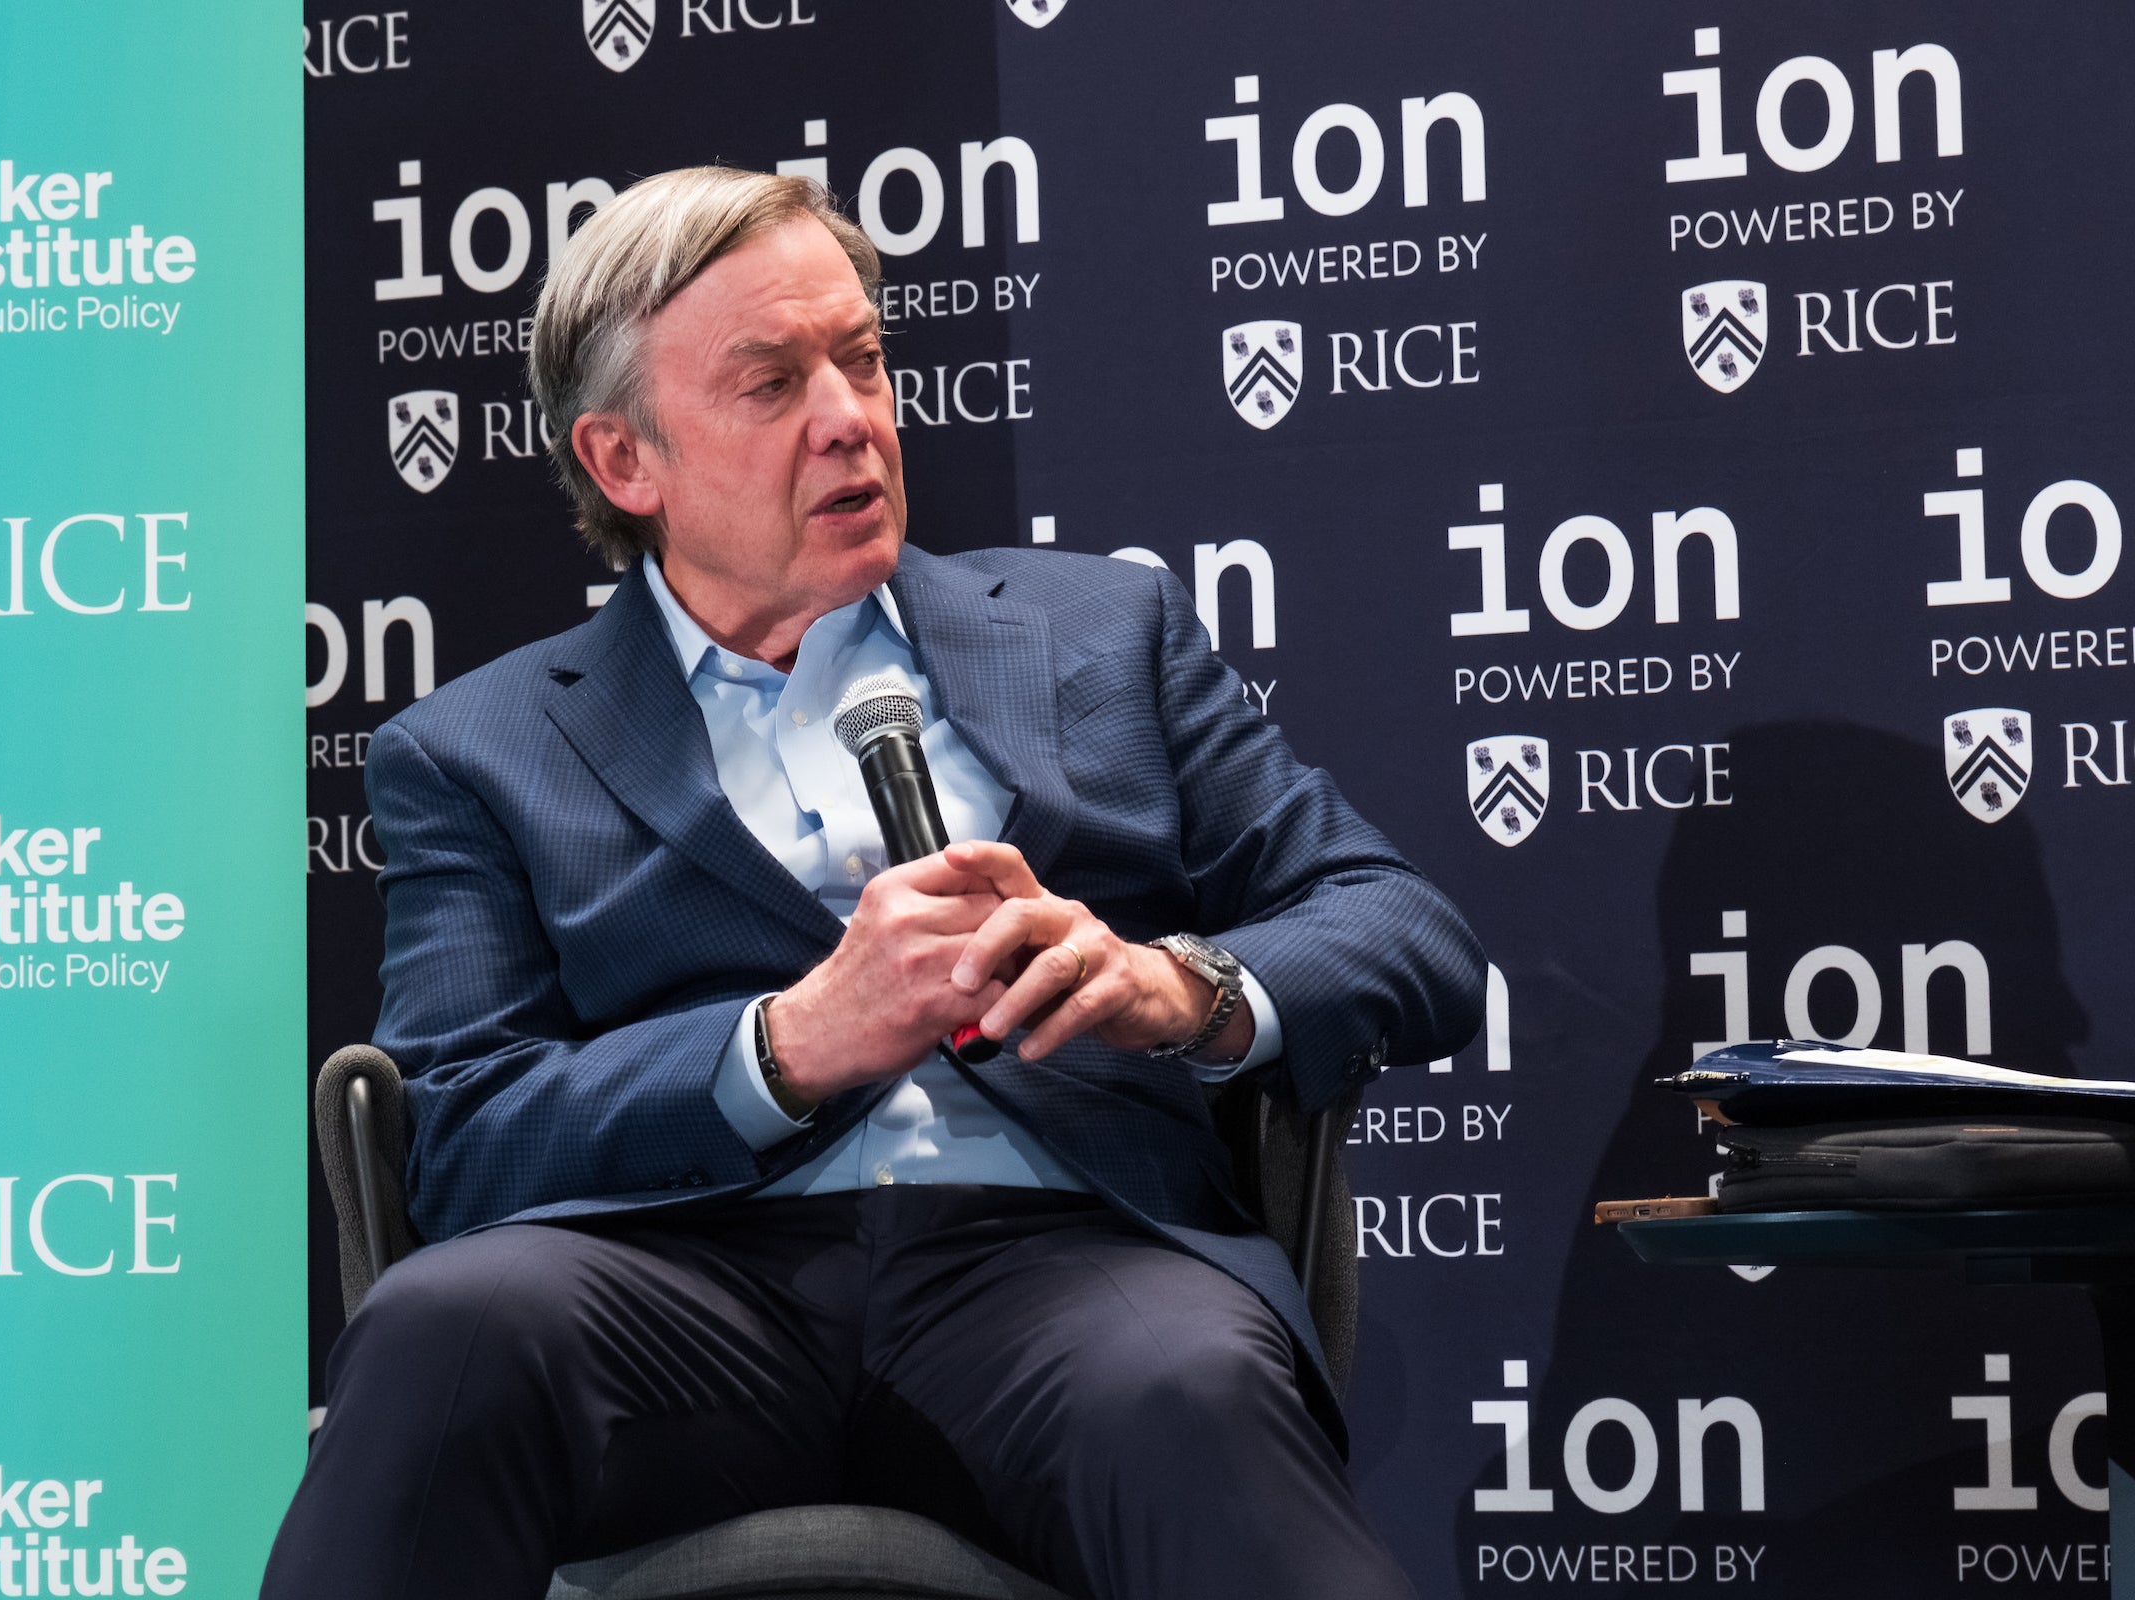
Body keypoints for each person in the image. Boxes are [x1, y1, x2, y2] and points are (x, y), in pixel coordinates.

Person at [264, 166, 1484, 1600]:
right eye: (772, 384)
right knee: (447, 1328)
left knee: (1190, 1384)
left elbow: (1404, 934)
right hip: (678, 1291)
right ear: (624, 462)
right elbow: (465, 1137)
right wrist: (780, 1049)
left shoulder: (1107, 634)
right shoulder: (477, 748)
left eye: (861, 358)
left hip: (1062, 1274)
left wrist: (1178, 990)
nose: (849, 417)